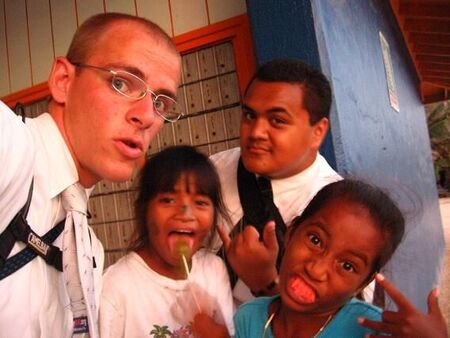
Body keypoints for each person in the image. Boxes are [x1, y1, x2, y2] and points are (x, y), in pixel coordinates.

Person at [0, 13, 181, 337]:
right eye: (122, 82)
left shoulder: (88, 253)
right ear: (63, 81)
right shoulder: (10, 147)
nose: (146, 116)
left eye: (162, 102)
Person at [211, 58, 341, 303]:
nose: (256, 132)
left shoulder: (339, 210)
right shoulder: (213, 171)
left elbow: (333, 321)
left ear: (318, 132)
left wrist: (265, 283)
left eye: (277, 120)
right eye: (249, 115)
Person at [233, 179, 406, 337]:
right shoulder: (249, 318)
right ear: (291, 232)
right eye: (315, 240)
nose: (316, 270)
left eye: (347, 266)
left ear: (362, 283)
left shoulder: (373, 330)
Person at [99, 145, 234, 338]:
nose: (185, 214)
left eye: (200, 203)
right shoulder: (116, 288)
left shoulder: (213, 270)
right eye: (168, 200)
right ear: (143, 210)